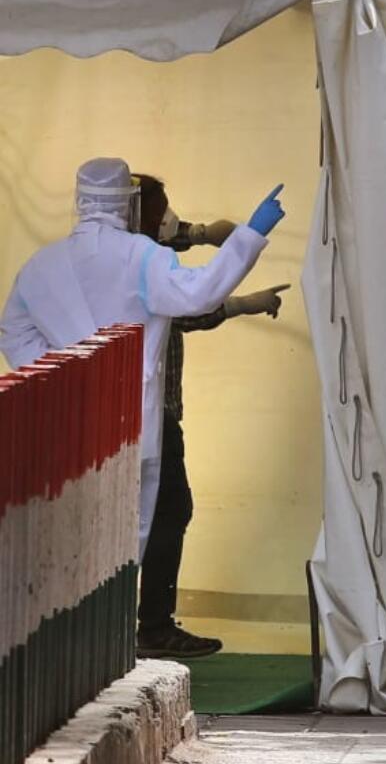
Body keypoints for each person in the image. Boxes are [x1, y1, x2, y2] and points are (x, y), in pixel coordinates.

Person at [0, 157, 283, 565]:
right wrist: (249, 235)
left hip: (65, 425)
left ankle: (78, 626)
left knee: (67, 547)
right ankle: (120, 626)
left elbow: (13, 330)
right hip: (133, 424)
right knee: (123, 545)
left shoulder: (40, 266)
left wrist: (65, 374)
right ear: (129, 203)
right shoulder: (143, 257)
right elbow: (199, 293)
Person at [129, 174, 290, 658]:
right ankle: (153, 627)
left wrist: (201, 234)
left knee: (152, 515)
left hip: (139, 412)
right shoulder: (138, 264)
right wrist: (243, 302)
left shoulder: (129, 248)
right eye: (162, 211)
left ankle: (139, 624)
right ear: (137, 215)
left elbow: (173, 236)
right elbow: (189, 306)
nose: (170, 221)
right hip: (148, 413)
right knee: (167, 511)